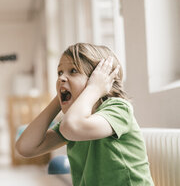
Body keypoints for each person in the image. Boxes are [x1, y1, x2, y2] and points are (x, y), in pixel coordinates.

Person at [16, 43, 154, 186]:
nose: (61, 78)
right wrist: (59, 97)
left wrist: (94, 88)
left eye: (73, 71)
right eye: (60, 73)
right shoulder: (73, 124)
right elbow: (25, 147)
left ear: (99, 79)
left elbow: (72, 126)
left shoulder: (118, 108)